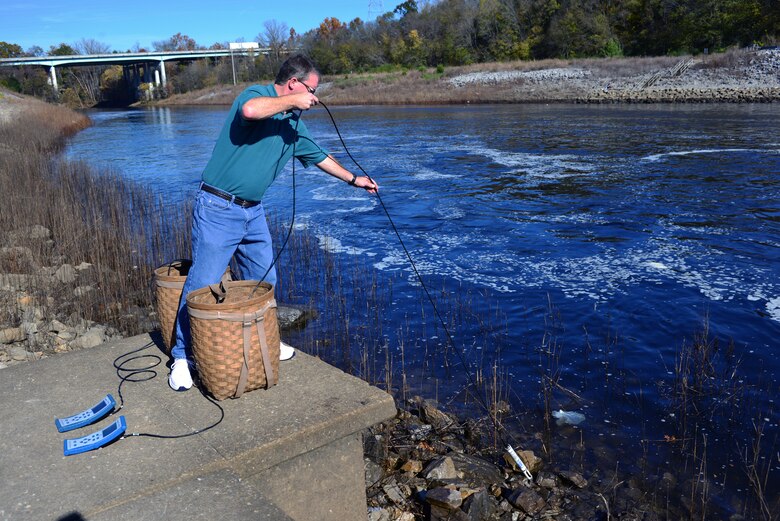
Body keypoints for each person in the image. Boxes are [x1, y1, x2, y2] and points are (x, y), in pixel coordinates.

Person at [169, 54, 378, 391]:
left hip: (253, 211)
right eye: (311, 90)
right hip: (219, 206)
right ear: (294, 83)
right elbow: (251, 111)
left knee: (264, 277)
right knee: (203, 282)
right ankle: (181, 356)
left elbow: (320, 155)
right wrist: (292, 100)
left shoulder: (295, 125)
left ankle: (263, 341)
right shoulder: (255, 94)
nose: (314, 98)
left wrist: (355, 180)